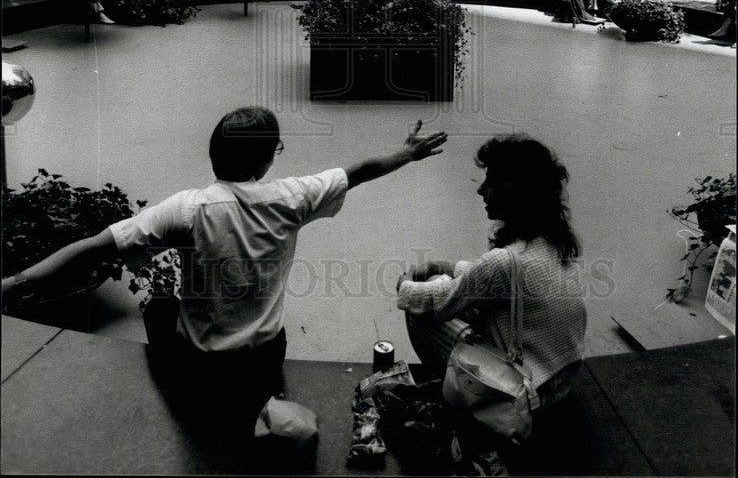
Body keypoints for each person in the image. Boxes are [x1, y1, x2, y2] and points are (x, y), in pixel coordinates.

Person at [1, 110, 447, 445]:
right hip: (264, 360)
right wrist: (407, 153)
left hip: (201, 365)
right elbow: (360, 171)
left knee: (159, 305)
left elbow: (93, 248)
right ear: (265, 161)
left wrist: (16, 283)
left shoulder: (187, 209)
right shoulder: (293, 197)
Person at [396, 134, 586, 456]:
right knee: (462, 295)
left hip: (522, 397)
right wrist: (446, 266)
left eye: (490, 182)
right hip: (559, 380)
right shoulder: (551, 242)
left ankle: (460, 393)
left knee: (420, 309)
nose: (480, 190)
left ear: (512, 191)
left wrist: (404, 286)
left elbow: (441, 300)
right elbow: (492, 279)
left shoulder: (502, 263)